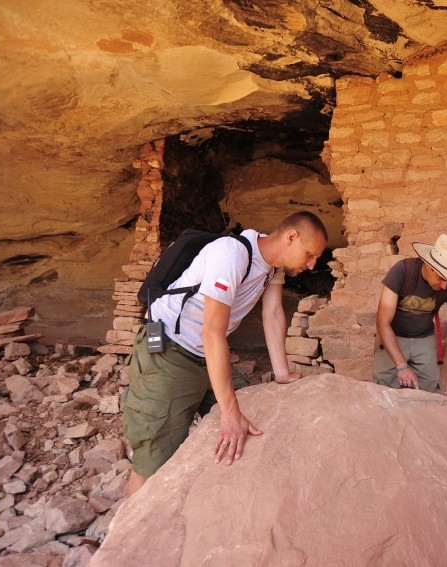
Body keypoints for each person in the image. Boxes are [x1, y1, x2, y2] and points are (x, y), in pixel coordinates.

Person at [123, 211, 328, 495]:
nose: (312, 263)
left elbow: (272, 313)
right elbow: (212, 332)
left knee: (254, 418)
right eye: (310, 254)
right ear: (291, 237)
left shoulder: (272, 268)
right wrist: (229, 412)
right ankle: (132, 535)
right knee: (154, 459)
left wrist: (282, 373)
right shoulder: (231, 254)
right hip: (169, 352)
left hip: (203, 354)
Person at [373, 234, 447, 403]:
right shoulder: (402, 271)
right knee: (385, 389)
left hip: (423, 337)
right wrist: (402, 366)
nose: (445, 286)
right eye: (441, 278)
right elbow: (382, 322)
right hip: (393, 335)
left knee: (430, 389)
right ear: (428, 265)